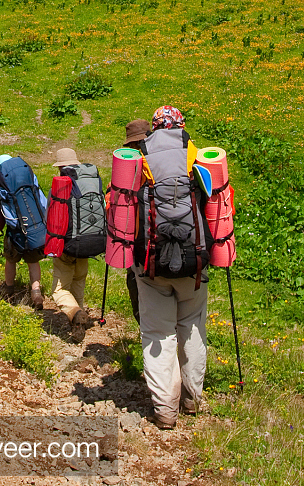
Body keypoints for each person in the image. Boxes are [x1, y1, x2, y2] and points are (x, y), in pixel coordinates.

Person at [132, 105, 210, 430]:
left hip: (152, 263)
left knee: (157, 333)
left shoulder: (140, 160)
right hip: (194, 262)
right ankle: (192, 400)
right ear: (181, 126)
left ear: (153, 128)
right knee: (192, 327)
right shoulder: (197, 157)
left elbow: (125, 207)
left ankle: (165, 412)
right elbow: (212, 205)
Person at [47, 146, 105, 343]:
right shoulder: (91, 181)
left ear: (61, 167)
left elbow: (52, 214)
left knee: (59, 290)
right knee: (79, 280)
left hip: (68, 245)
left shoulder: (61, 185)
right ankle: (80, 321)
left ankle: (75, 313)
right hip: (91, 242)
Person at [0, 153, 46, 310]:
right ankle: (36, 293)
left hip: (15, 230)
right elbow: (41, 201)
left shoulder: (1, 183)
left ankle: (9, 290)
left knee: (10, 259)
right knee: (33, 261)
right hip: (34, 226)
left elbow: (1, 211)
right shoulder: (28, 176)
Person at [122, 118, 151, 323]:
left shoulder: (129, 166)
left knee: (138, 290)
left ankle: (146, 332)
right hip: (173, 241)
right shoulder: (168, 161)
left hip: (138, 247)